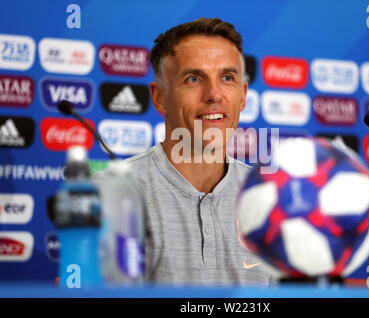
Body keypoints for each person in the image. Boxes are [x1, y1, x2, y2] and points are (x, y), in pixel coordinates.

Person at [96, 18, 272, 285]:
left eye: (227, 78)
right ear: (159, 97)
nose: (214, 94)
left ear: (243, 94)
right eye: (194, 78)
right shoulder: (111, 192)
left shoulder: (269, 195)